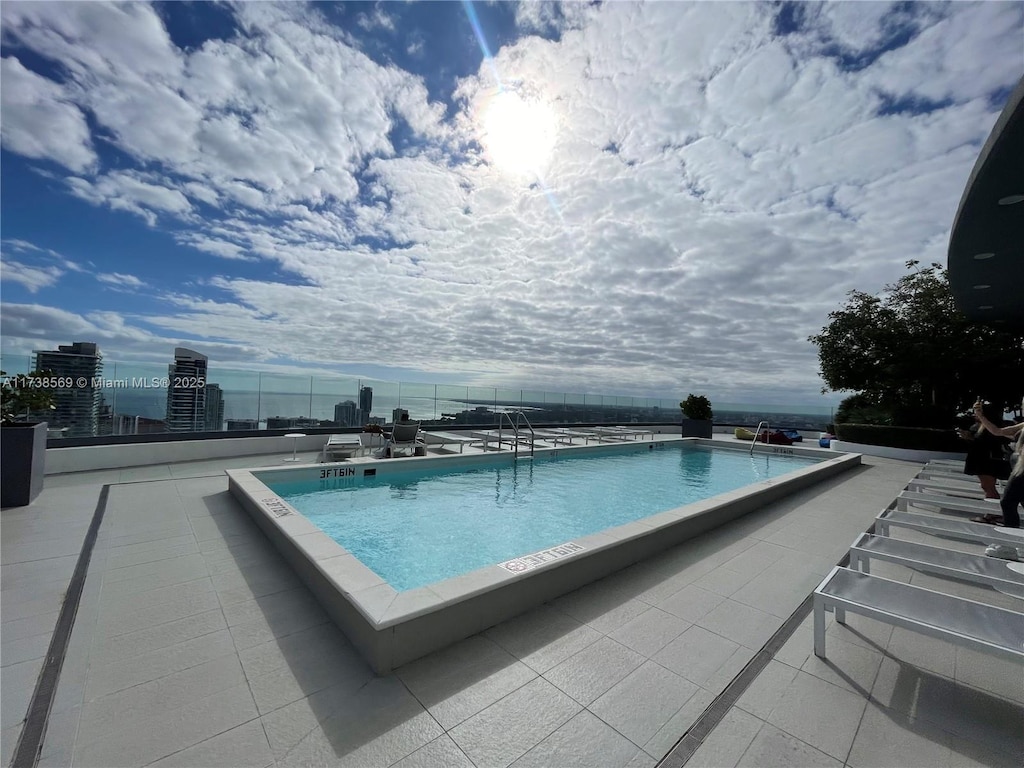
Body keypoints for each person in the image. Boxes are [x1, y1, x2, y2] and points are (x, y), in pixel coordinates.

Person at [973, 398, 1024, 560]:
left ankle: (1008, 546)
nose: (1022, 407)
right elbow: (997, 431)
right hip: (1019, 468)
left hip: (1022, 470)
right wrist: (981, 416)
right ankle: (1017, 545)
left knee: (1007, 502)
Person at [957, 403, 1011, 521]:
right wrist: (969, 437)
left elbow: (990, 442)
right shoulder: (979, 426)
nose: (975, 414)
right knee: (987, 487)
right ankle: (993, 512)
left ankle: (994, 513)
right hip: (982, 460)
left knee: (988, 487)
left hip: (987, 462)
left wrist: (972, 438)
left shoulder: (990, 426)